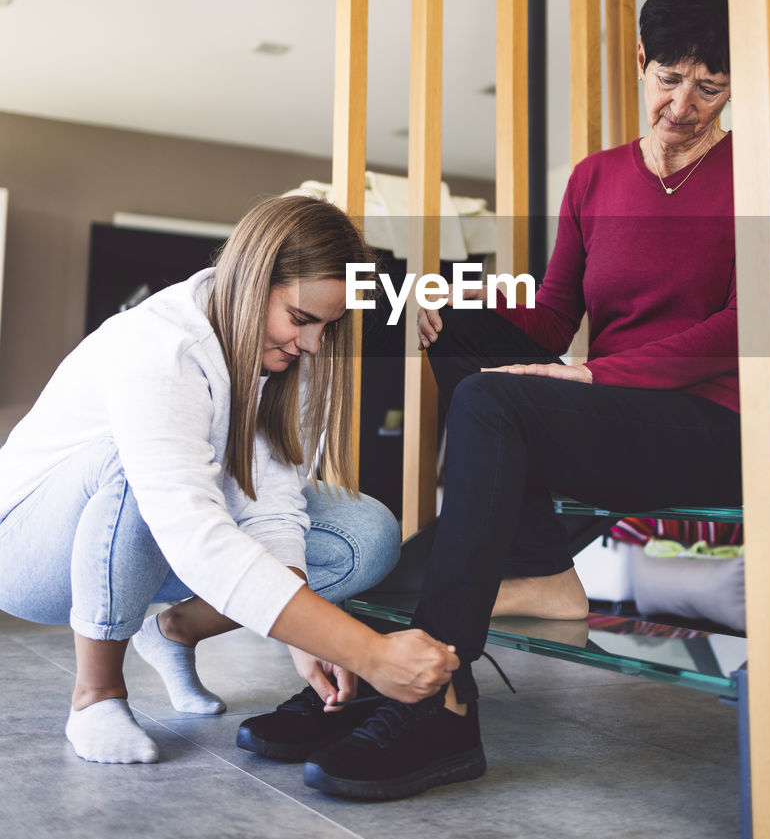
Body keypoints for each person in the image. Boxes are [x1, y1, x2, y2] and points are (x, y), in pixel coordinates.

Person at [240, 0, 770, 801]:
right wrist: (467, 303)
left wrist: (590, 372)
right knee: (447, 324)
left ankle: (437, 698)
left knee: (490, 399)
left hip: (709, 425)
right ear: (642, 57)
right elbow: (551, 317)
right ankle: (394, 659)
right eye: (669, 80)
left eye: (710, 89)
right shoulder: (596, 178)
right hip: (609, 412)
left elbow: (749, 327)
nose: (684, 107)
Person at [0, 195, 458, 765]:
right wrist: (366, 651)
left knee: (364, 532)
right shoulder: (162, 346)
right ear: (251, 281)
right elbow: (189, 524)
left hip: (153, 536)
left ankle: (173, 631)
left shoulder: (283, 356)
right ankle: (96, 694)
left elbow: (272, 505)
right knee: (135, 464)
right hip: (32, 552)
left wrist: (306, 634)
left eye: (326, 325)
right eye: (301, 319)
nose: (312, 343)